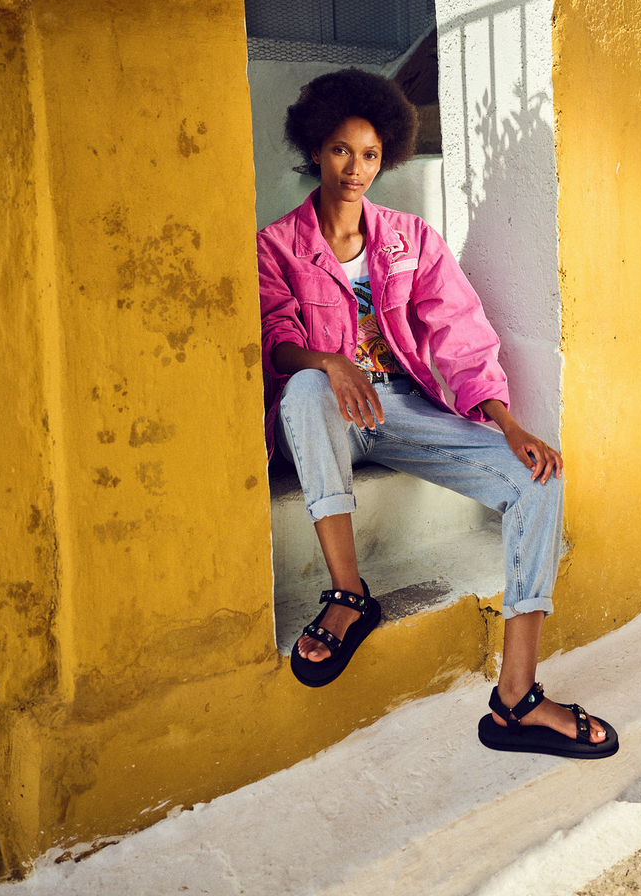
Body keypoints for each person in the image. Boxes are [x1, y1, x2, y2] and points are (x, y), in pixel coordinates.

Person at [256, 68, 618, 759]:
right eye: (339, 150)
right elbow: (276, 345)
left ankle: (516, 699)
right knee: (307, 390)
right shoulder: (277, 245)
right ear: (315, 149)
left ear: (385, 154)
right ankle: (348, 593)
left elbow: (459, 334)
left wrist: (506, 424)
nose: (355, 169)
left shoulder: (409, 240)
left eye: (368, 155)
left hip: (402, 411)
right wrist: (329, 363)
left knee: (538, 479)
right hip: (324, 411)